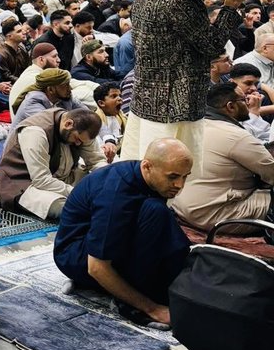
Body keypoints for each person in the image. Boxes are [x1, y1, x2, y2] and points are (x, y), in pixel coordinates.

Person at [122, 0, 250, 160]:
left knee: (143, 163)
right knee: (174, 171)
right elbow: (212, 45)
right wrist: (231, 5)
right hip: (175, 105)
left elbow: (173, 20)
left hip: (148, 96)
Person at [54, 138, 194, 326]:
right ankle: (126, 303)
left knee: (160, 219)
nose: (179, 185)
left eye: (185, 177)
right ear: (147, 167)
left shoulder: (149, 178)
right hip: (76, 256)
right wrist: (152, 308)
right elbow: (96, 267)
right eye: (173, 177)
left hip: (104, 242)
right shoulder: (115, 195)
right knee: (156, 213)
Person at [171, 82, 274, 233]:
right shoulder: (236, 136)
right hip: (216, 214)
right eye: (244, 100)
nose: (248, 103)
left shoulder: (194, 126)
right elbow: (271, 173)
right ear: (231, 106)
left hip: (182, 206)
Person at [0, 108, 107, 220]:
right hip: (26, 184)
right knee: (70, 207)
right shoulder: (35, 132)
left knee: (103, 184)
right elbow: (41, 180)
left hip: (63, 179)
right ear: (68, 124)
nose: (78, 144)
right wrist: (78, 193)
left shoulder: (81, 132)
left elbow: (96, 161)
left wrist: (109, 180)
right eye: (77, 139)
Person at [11, 67, 83, 127]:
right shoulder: (32, 103)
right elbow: (53, 127)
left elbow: (86, 114)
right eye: (65, 85)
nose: (70, 88)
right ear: (50, 89)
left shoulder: (65, 97)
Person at [93, 82, 126, 161]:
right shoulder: (95, 122)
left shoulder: (121, 117)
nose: (120, 99)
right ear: (101, 103)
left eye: (120, 96)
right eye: (114, 96)